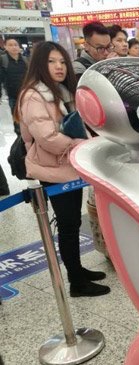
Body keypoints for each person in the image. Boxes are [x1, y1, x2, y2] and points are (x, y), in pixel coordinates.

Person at [16, 41, 110, 297]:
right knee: (68, 226)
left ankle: (76, 270)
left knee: (72, 222)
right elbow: (47, 138)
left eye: (61, 62)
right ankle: (76, 282)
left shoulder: (62, 91)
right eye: (51, 62)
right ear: (39, 65)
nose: (59, 67)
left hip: (68, 165)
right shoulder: (33, 95)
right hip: (52, 169)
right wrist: (79, 145)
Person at [0, 37, 28, 134]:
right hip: (13, 95)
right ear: (5, 47)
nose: (14, 47)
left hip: (27, 95)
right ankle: (19, 136)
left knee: (29, 116)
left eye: (16, 45)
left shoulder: (25, 60)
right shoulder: (3, 60)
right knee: (17, 118)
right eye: (10, 45)